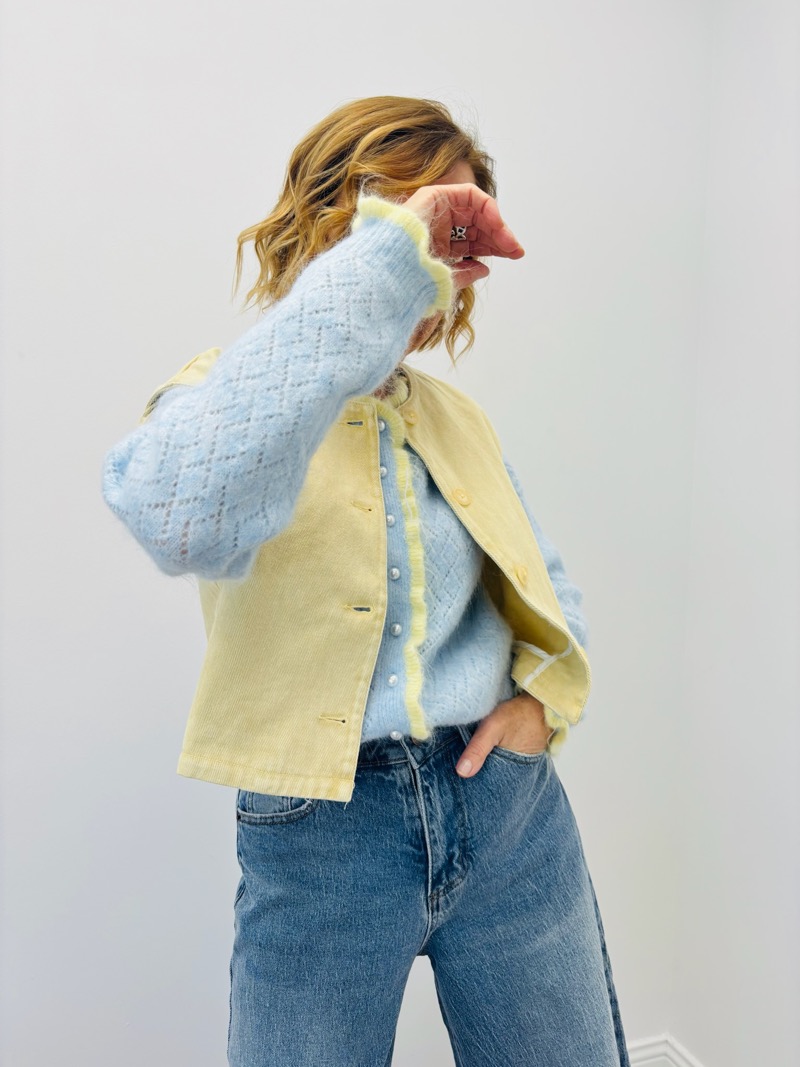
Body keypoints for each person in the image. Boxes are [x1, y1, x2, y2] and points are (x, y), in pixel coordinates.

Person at [101, 95, 630, 1066]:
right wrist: (386, 259)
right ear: (332, 229)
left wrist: (540, 705)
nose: (430, 265)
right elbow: (174, 515)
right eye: (409, 227)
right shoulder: (232, 397)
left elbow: (540, 580)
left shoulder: (456, 419)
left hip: (506, 810)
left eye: (447, 240)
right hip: (322, 834)